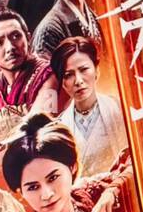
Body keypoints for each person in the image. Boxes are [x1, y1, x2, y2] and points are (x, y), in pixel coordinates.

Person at [0, 9, 59, 149]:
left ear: (28, 38)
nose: (10, 47)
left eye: (16, 36)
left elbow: (41, 120)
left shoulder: (50, 74)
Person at [51, 36, 128, 179]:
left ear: (96, 70)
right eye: (69, 75)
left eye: (84, 69)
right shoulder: (59, 129)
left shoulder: (120, 109)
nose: (78, 81)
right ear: (63, 83)